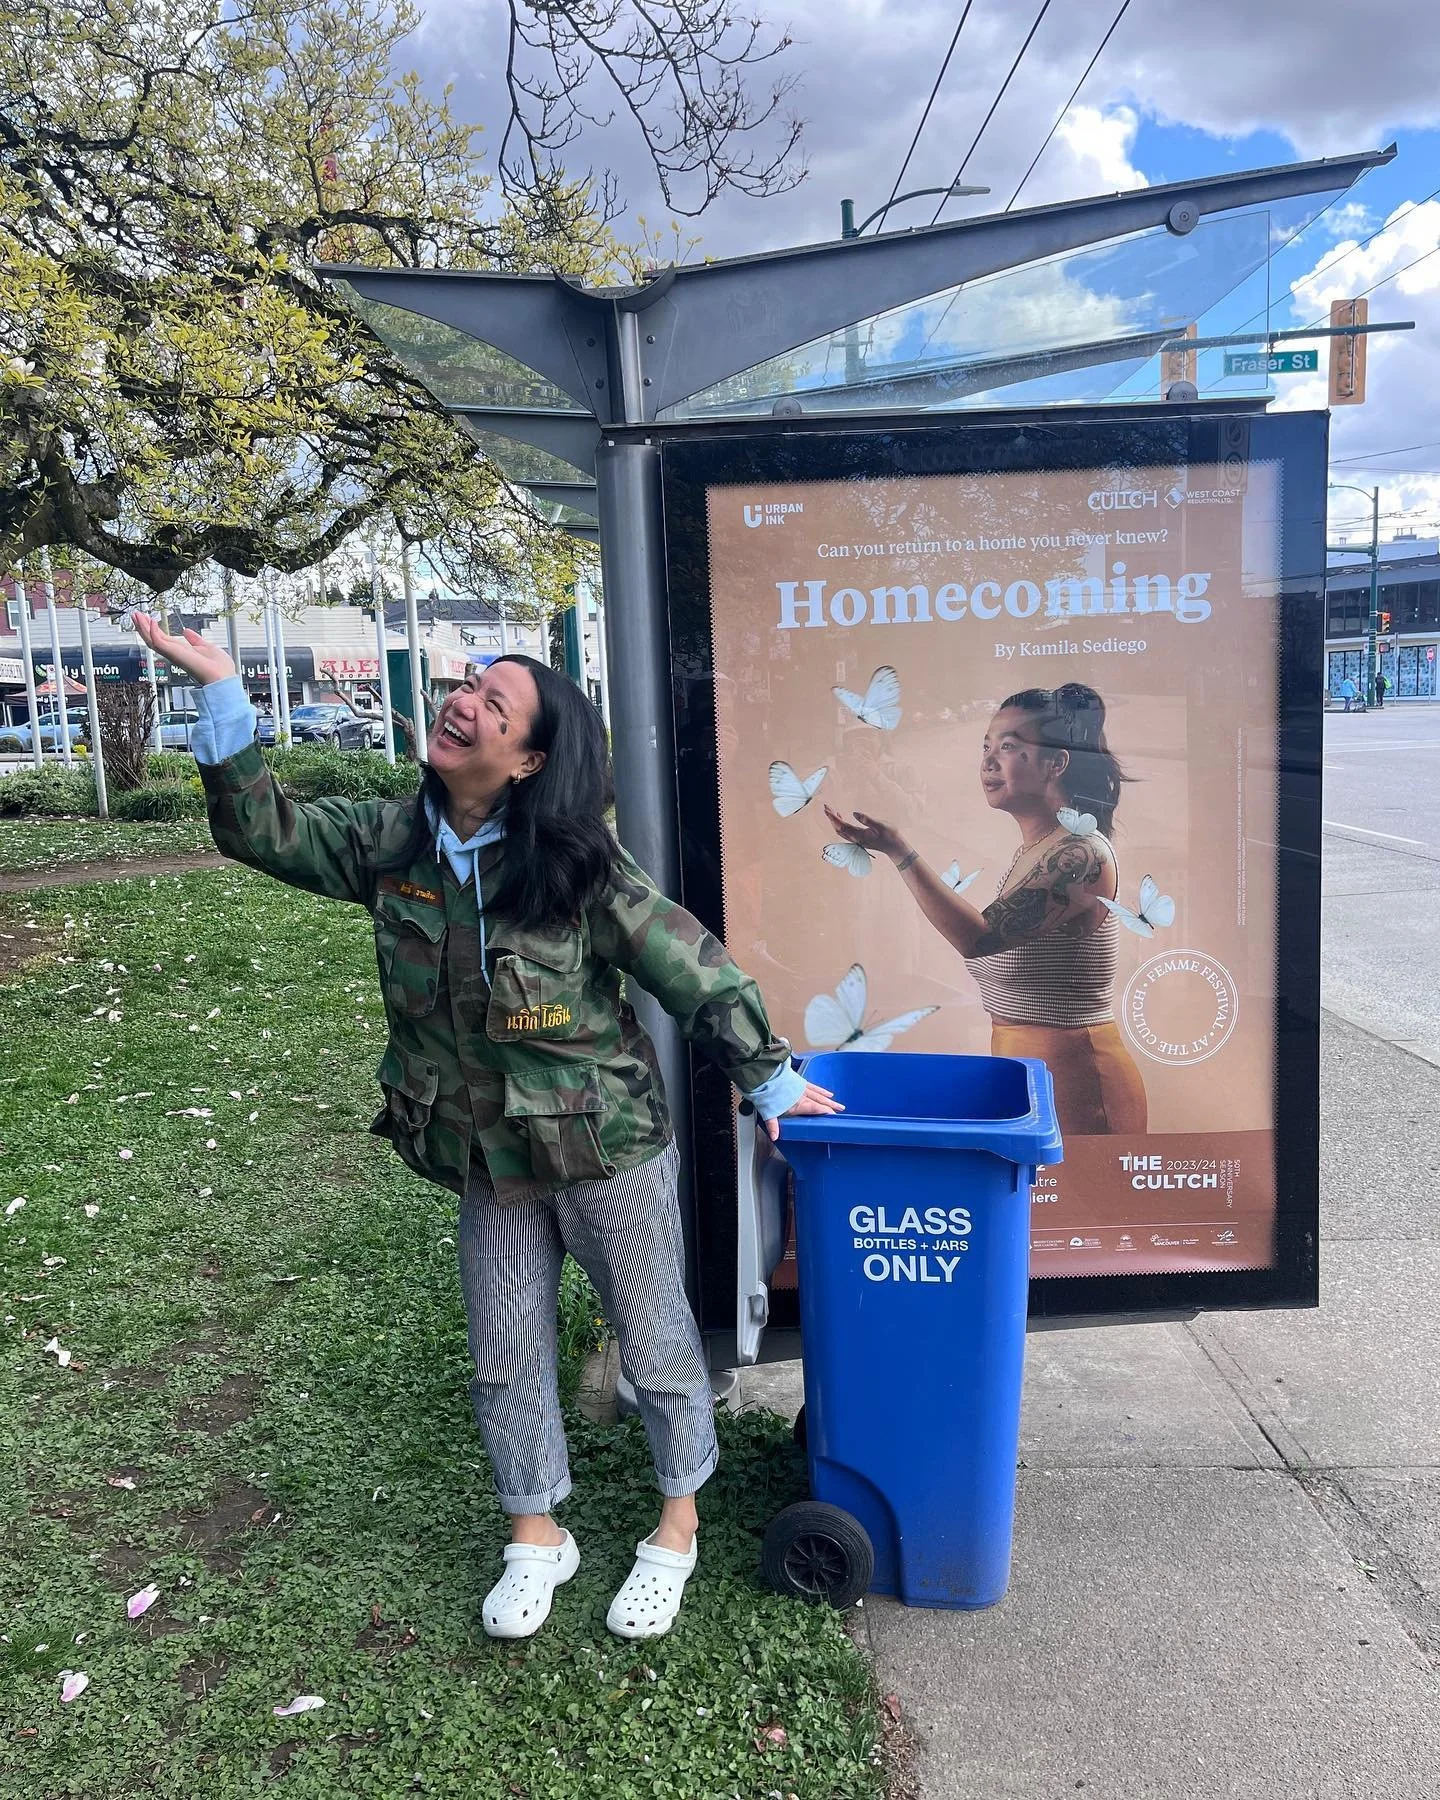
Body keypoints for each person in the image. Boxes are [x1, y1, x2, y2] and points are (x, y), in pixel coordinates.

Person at [131, 613, 839, 1643]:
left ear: (529, 759)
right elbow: (263, 831)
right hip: (486, 1158)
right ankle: (535, 1532)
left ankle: (676, 1523)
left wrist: (771, 1086)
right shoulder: (398, 841)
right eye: (467, 684)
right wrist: (220, 685)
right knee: (504, 1350)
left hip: (606, 1152)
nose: (462, 702)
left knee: (655, 1343)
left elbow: (695, 969)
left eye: (492, 703)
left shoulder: (578, 867)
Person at [825, 682, 1148, 1139]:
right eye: (986, 747)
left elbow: (982, 938)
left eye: (1010, 747)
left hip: (1077, 1079)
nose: (989, 761)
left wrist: (899, 850)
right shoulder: (1039, 850)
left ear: (1057, 762)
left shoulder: (1079, 854)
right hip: (1027, 1069)